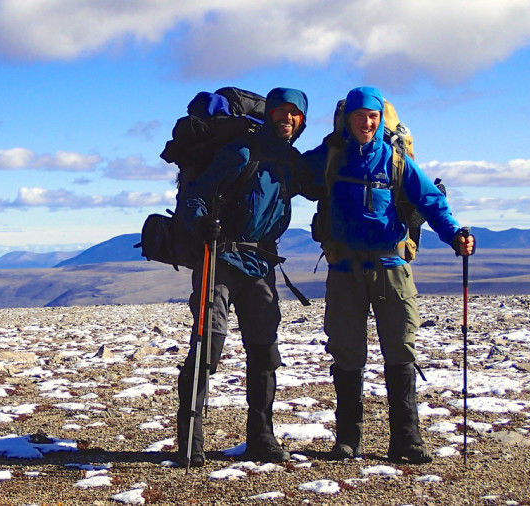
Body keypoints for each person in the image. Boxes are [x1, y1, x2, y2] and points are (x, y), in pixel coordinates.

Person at [302, 86, 475, 463]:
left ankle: (407, 440)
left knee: (400, 347)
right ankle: (348, 439)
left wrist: (455, 235)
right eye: (360, 115)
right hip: (344, 266)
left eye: (373, 116)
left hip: (391, 266)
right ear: (348, 118)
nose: (367, 122)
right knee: (347, 350)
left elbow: (431, 201)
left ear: (381, 120)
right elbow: (290, 173)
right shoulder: (331, 156)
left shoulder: (396, 161)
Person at [176, 87, 317, 467]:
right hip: (220, 258)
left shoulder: (293, 162)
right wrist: (201, 220)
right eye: (281, 112)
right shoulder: (242, 151)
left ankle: (261, 438)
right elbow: (196, 196)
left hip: (260, 264)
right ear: (269, 114)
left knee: (264, 350)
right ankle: (190, 439)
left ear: (302, 121)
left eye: (295, 114)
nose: (288, 118)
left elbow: (327, 186)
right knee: (209, 344)